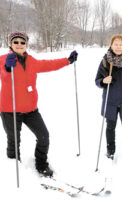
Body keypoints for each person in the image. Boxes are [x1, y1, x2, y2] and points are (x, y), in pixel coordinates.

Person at [0, 32, 78, 177]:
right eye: (15, 42)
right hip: (10, 110)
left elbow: (50, 64)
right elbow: (3, 73)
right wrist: (7, 68)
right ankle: (14, 172)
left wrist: (67, 61)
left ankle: (41, 164)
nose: (19, 44)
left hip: (30, 110)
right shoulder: (3, 60)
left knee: (44, 136)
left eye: (22, 42)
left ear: (26, 45)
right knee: (14, 143)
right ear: (10, 44)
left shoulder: (32, 61)